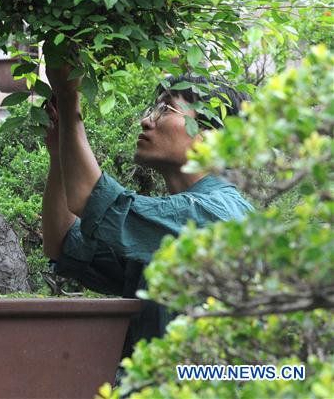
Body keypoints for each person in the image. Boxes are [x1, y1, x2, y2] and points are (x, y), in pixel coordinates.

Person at [41, 62, 254, 375]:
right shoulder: (168, 227)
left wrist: (69, 96)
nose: (146, 120)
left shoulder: (217, 215)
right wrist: (60, 152)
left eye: (165, 109)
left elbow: (87, 197)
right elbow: (62, 244)